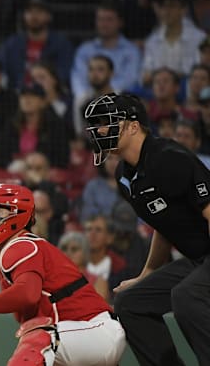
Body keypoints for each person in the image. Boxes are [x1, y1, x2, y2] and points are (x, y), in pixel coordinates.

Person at [0, 184, 126, 365]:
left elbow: (27, 294)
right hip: (81, 335)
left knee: (38, 336)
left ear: (18, 215)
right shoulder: (22, 247)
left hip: (93, 331)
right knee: (34, 333)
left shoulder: (20, 245)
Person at [84, 92, 210, 365]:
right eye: (96, 124)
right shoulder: (124, 175)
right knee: (130, 303)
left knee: (187, 295)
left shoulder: (169, 157)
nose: (99, 130)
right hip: (198, 260)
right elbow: (163, 224)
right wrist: (147, 274)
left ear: (132, 126)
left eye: (106, 122)